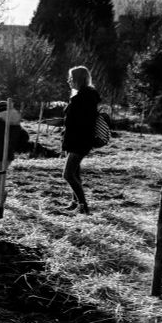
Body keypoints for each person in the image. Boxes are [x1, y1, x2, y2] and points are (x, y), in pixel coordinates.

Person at [62, 65, 100, 214]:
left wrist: (66, 121)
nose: (68, 81)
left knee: (68, 174)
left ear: (77, 80)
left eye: (71, 78)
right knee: (75, 174)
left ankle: (83, 207)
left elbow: (80, 122)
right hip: (75, 140)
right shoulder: (84, 96)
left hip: (79, 141)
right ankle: (75, 203)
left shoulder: (83, 98)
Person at [0, 101, 29, 205]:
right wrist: (15, 148)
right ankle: (1, 201)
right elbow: (25, 137)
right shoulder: (15, 124)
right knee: (1, 176)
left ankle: (1, 192)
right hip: (9, 155)